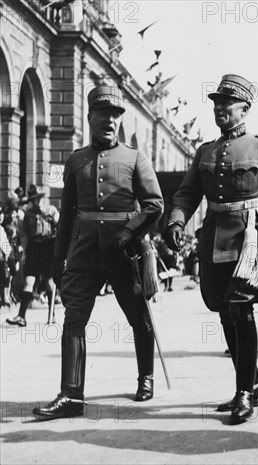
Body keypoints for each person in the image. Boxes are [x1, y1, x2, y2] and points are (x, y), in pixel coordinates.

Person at [164, 74, 258, 424]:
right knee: (224, 311)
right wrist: (176, 222)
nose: (219, 109)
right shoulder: (205, 152)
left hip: (250, 240)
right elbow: (186, 194)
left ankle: (244, 393)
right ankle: (252, 385)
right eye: (215, 103)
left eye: (226, 104)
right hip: (213, 240)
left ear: (244, 108)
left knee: (241, 310)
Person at [32, 86, 164, 420]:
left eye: (116, 115)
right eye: (103, 113)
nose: (109, 120)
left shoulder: (135, 158)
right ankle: (71, 396)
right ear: (89, 116)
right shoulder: (76, 160)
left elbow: (154, 205)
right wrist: (58, 261)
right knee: (74, 319)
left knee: (138, 316)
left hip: (126, 253)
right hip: (84, 252)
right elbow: (66, 217)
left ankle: (146, 376)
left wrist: (128, 231)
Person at [6, 185, 59, 326]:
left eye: (39, 199)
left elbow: (61, 229)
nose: (37, 202)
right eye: (34, 200)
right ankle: (21, 316)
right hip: (34, 248)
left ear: (43, 198)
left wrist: (61, 251)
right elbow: (24, 235)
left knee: (49, 281)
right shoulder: (28, 214)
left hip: (48, 247)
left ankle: (51, 314)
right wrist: (23, 251)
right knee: (29, 281)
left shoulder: (51, 211)